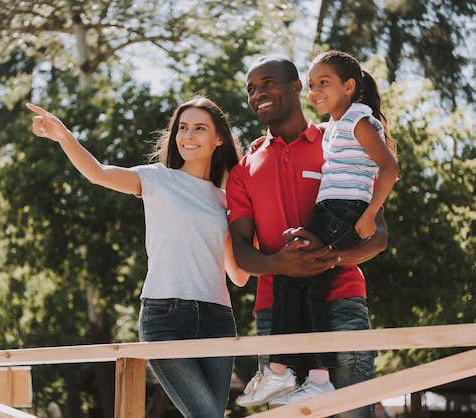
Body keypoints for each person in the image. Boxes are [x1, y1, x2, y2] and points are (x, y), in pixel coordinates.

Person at [26, 96, 249, 418]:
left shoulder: (226, 200)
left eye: (200, 128)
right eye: (182, 128)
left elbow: (239, 276)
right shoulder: (158, 179)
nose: (188, 135)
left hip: (218, 318)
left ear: (218, 139)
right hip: (166, 316)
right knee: (207, 416)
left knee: (212, 413)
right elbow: (98, 173)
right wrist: (64, 136)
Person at [227, 55, 388, 417]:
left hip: (341, 300)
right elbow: (240, 250)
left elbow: (378, 236)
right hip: (275, 310)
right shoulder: (244, 169)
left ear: (296, 86)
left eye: (267, 83)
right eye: (251, 89)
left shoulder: (340, 142)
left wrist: (333, 259)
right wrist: (276, 264)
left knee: (352, 411)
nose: (258, 94)